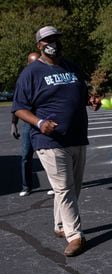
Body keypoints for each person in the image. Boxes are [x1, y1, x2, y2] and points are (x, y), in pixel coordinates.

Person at [11, 25, 100, 256]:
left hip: (77, 137)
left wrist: (91, 100)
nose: (54, 43)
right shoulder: (30, 73)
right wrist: (40, 123)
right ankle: (75, 235)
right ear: (39, 45)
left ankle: (61, 225)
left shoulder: (71, 67)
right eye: (49, 40)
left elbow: (81, 94)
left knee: (73, 188)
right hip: (49, 140)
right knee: (64, 189)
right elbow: (19, 108)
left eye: (57, 39)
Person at [11, 52, 55, 197]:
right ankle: (26, 186)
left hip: (44, 122)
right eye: (33, 62)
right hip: (28, 125)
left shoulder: (44, 79)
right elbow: (17, 105)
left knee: (48, 156)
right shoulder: (24, 80)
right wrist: (13, 124)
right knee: (26, 156)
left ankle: (55, 185)